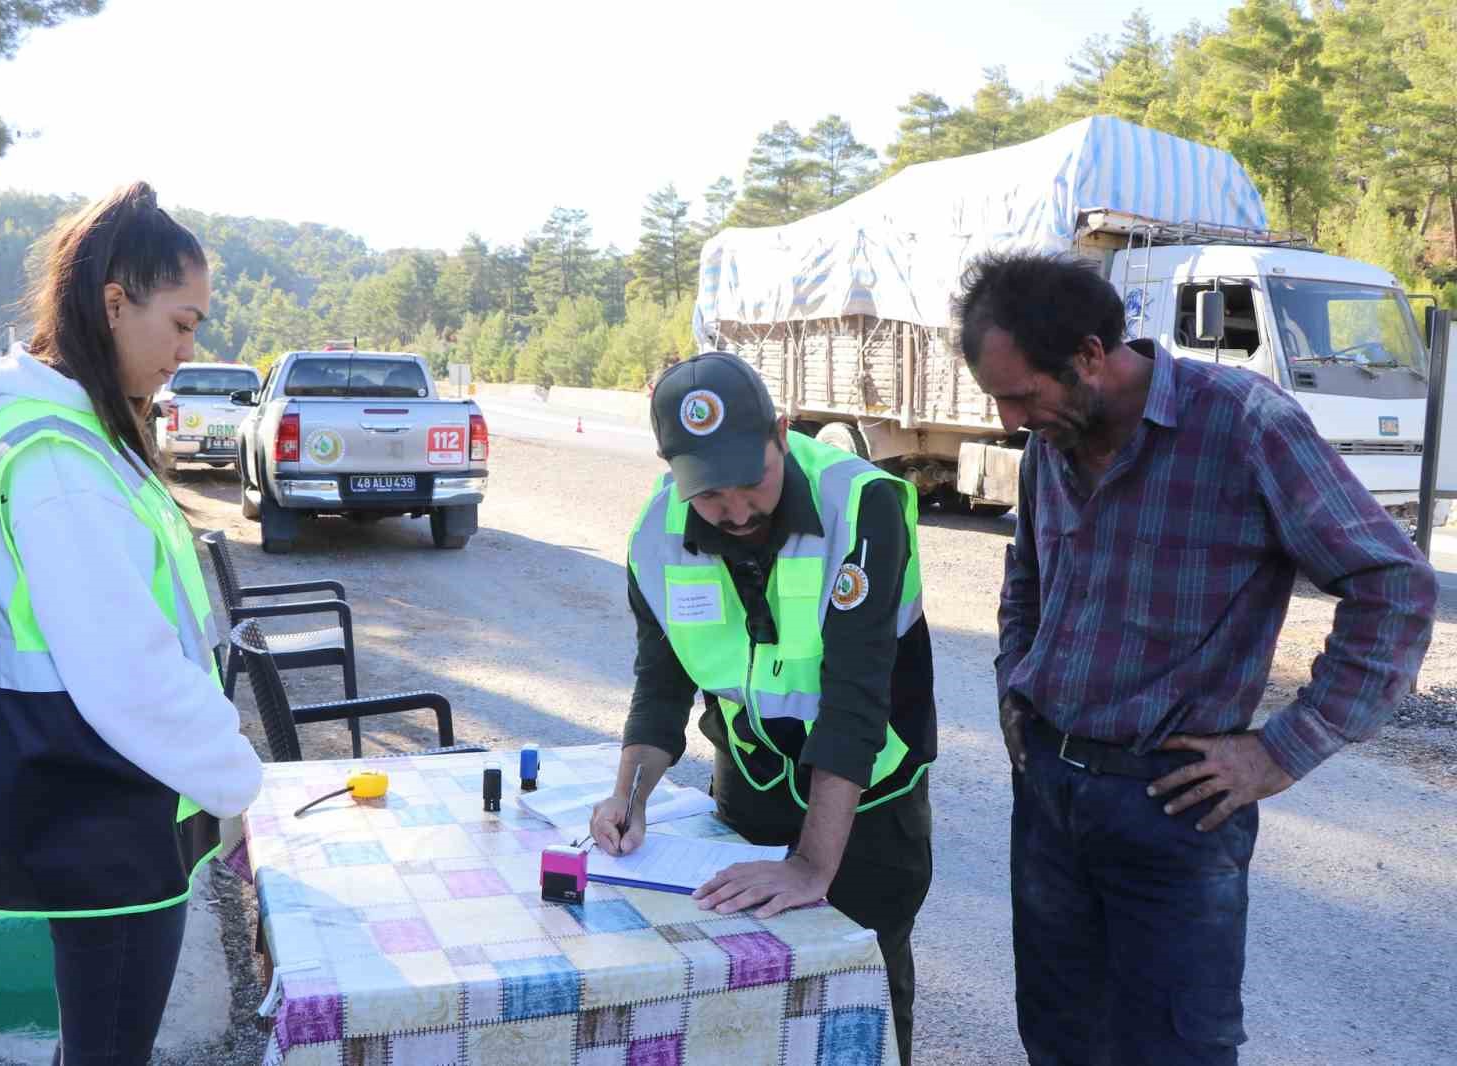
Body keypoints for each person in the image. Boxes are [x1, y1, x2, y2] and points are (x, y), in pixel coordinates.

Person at [956, 252, 1438, 1066]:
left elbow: (1394, 588)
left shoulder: (1245, 424)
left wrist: (1280, 751)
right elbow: (1025, 579)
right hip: (1048, 795)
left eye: (1020, 396)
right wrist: (1016, 687)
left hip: (1173, 808)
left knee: (1175, 1049)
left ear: (1088, 356)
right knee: (1058, 1033)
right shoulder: (1053, 439)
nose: (1008, 421)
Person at [0, 183, 263, 1066]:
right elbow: (127, 669)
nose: (189, 350)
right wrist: (242, 783)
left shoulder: (61, 430)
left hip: (93, 794)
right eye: (182, 323)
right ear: (115, 304)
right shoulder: (58, 457)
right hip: (101, 807)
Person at [590, 352, 937, 1064]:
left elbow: (854, 701)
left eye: (752, 481)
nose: (738, 511)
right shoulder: (654, 537)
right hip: (750, 792)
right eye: (711, 495)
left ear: (780, 431)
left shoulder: (861, 505)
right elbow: (661, 689)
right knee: (747, 1001)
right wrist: (629, 795)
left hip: (863, 807)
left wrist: (812, 865)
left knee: (857, 997)